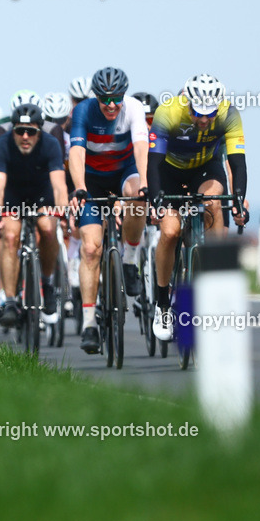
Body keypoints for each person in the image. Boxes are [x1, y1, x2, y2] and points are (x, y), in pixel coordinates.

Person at [146, 74, 248, 341]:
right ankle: (163, 304)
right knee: (169, 231)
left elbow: (237, 163)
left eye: (209, 114)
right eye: (197, 113)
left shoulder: (229, 114)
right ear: (187, 102)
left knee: (214, 201)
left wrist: (238, 201)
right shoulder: (167, 112)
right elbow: (153, 164)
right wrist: (157, 200)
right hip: (169, 171)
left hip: (204, 169)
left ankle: (214, 282)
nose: (203, 120)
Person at [67, 67, 149, 354]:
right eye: (105, 100)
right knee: (90, 249)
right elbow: (76, 152)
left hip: (124, 172)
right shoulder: (84, 112)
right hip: (92, 180)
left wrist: (145, 183)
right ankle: (89, 322)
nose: (112, 105)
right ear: (96, 97)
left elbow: (141, 146)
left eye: (117, 98)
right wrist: (79, 187)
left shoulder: (134, 109)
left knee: (139, 197)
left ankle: (129, 260)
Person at [0, 103, 68, 326]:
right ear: (12, 130)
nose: (25, 136)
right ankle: (11, 300)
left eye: (31, 131)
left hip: (42, 195)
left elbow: (59, 185)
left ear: (39, 131)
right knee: (10, 236)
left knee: (48, 229)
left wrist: (64, 211)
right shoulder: (1, 145)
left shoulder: (51, 144)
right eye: (19, 131)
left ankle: (47, 282)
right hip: (13, 196)